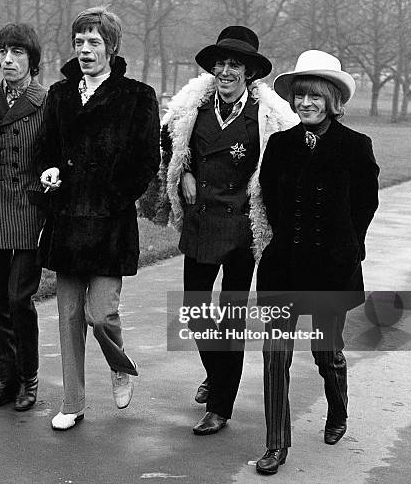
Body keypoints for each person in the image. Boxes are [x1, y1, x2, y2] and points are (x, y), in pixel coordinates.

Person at [159, 26, 298, 435]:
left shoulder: (267, 119)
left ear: (249, 73)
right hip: (200, 224)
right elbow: (169, 145)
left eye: (234, 65)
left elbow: (279, 170)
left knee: (230, 320)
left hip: (240, 229)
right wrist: (181, 170)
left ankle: (220, 405)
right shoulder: (192, 110)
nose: (225, 71)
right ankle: (219, 374)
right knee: (196, 313)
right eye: (220, 64)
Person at [254, 50, 379, 475]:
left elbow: (364, 206)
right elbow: (270, 200)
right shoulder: (280, 145)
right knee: (275, 357)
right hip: (283, 267)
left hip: (331, 269)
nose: (306, 103)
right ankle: (275, 444)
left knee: (326, 352)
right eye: (300, 96)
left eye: (315, 96)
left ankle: (337, 410)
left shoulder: (356, 147)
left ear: (332, 100)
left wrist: (347, 251)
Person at [38, 6, 160, 431]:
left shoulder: (137, 96)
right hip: (67, 222)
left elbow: (148, 161)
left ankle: (119, 363)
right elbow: (47, 149)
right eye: (79, 42)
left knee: (101, 314)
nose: (85, 50)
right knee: (69, 318)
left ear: (111, 46)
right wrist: (49, 171)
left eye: (94, 42)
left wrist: (113, 197)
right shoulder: (59, 95)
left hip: (110, 225)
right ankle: (72, 403)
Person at [0, 23, 46, 412]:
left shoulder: (47, 102)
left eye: (17, 52)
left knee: (20, 299)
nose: (8, 59)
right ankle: (7, 378)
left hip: (30, 214)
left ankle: (29, 378)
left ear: (32, 59)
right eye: (3, 52)